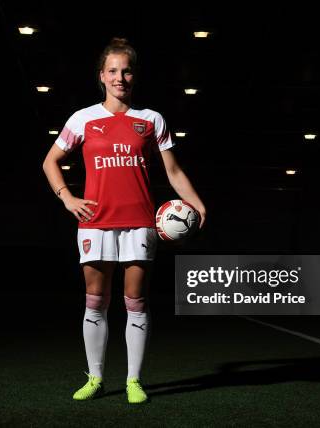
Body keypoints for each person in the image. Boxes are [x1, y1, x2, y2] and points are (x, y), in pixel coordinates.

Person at [42, 38, 206, 404]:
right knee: (95, 301)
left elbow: (174, 170)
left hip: (139, 222)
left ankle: (134, 381)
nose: (120, 78)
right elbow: (50, 161)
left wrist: (196, 202)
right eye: (113, 71)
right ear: (102, 76)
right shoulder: (82, 118)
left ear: (135, 76)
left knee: (136, 301)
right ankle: (95, 378)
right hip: (95, 221)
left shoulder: (151, 120)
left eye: (127, 70)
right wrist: (67, 197)